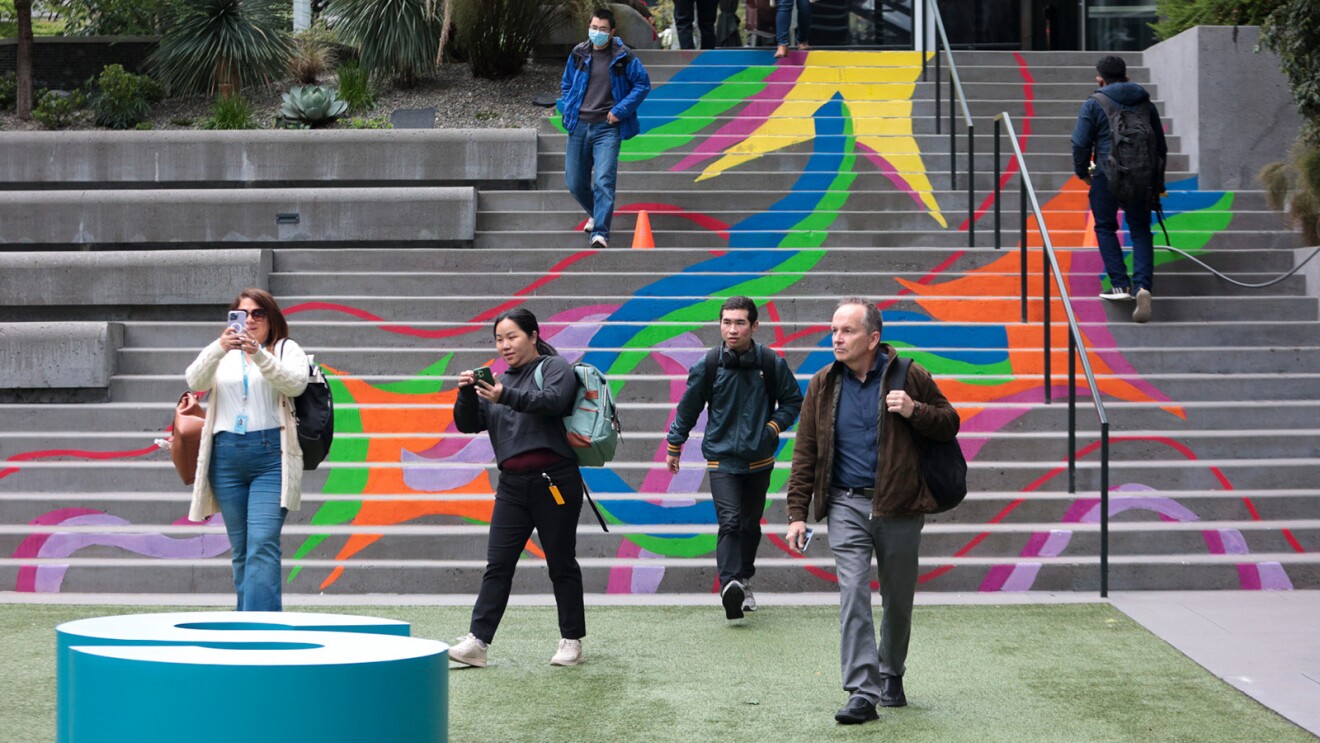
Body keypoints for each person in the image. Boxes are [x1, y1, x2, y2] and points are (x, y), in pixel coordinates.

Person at [784, 298, 960, 725]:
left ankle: (891, 670)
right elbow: (805, 450)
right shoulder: (823, 384)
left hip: (898, 505)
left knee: (898, 599)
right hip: (846, 502)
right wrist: (797, 512)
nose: (837, 338)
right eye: (833, 330)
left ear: (873, 339)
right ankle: (862, 691)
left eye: (847, 331)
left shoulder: (909, 375)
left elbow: (950, 421)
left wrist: (914, 410)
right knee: (854, 592)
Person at [449, 308, 588, 668]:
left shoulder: (554, 368)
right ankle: (477, 642)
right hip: (512, 486)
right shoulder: (499, 382)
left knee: (561, 562)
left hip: (554, 480)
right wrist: (467, 394)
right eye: (499, 339)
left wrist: (502, 395)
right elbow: (468, 424)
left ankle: (571, 640)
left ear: (533, 335)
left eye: (512, 337)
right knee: (498, 564)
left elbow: (553, 401)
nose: (505, 345)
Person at [666, 296, 803, 620]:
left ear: (754, 326)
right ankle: (730, 586)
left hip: (759, 460)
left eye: (740, 322)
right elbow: (688, 408)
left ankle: (743, 578)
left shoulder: (770, 363)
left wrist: (771, 428)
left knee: (749, 525)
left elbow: (792, 402)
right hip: (722, 460)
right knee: (730, 522)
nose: (732, 329)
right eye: (726, 322)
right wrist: (675, 445)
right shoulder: (710, 364)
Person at [185, 288, 308, 611]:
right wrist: (218, 346)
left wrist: (259, 354)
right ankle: (246, 622)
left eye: (258, 314)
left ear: (271, 318)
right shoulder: (223, 352)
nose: (250, 320)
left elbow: (295, 384)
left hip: (271, 454)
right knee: (241, 547)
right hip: (226, 455)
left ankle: (263, 627)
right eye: (243, 314)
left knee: (262, 543)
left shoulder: (285, 349)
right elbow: (194, 379)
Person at [1071, 54, 1168, 324]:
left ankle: (1119, 285)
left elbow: (1080, 143)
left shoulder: (1094, 103)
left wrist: (1082, 172)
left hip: (1107, 174)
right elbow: (1160, 145)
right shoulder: (1145, 102)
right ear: (1126, 75)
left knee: (1104, 227)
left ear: (1100, 78)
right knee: (1140, 229)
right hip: (1142, 175)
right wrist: (1157, 182)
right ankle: (1142, 287)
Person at [559, 7, 652, 249]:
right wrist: (570, 106)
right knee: (574, 182)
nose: (596, 33)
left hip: (607, 128)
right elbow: (567, 83)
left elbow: (642, 84)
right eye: (593, 28)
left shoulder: (623, 56)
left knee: (603, 180)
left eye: (602, 29)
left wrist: (620, 111)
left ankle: (600, 233)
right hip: (578, 125)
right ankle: (596, 213)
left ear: (612, 32)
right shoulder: (579, 53)